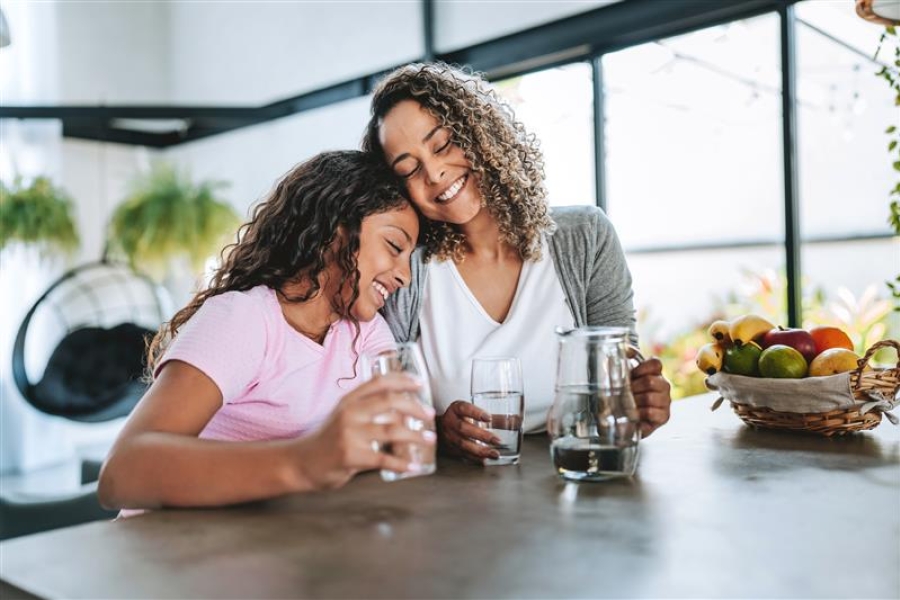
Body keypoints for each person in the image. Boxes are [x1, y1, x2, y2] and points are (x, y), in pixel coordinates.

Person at [362, 62, 672, 463]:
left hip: (572, 483)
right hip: (449, 505)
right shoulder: (407, 271)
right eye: (409, 168)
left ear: (481, 134)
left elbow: (618, 381)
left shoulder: (585, 237)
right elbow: (385, 415)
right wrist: (435, 429)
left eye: (442, 145)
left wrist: (640, 401)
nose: (435, 173)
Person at [98, 150, 434, 510]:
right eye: (394, 246)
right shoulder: (246, 318)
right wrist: (305, 461)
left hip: (268, 549)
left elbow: (400, 443)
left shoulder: (365, 333)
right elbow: (122, 473)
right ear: (337, 227)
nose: (405, 275)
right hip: (171, 551)